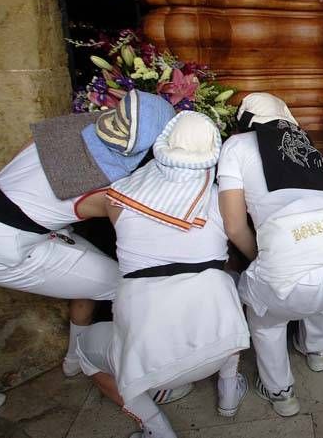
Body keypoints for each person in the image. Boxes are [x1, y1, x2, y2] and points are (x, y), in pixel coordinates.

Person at [75, 111, 251, 438]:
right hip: (224, 345)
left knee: (85, 349)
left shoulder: (119, 198)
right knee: (224, 282)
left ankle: (156, 428)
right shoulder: (217, 199)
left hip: (149, 366)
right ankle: (228, 389)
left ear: (163, 143)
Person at [0, 90, 174, 377]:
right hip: (5, 249)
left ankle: (74, 358)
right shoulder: (102, 185)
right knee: (125, 286)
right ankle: (122, 364)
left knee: (91, 277)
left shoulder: (66, 129)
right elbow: (139, 218)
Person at [218, 93, 323, 417]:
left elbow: (234, 226)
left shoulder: (236, 146)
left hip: (297, 274)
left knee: (266, 317)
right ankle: (318, 352)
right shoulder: (304, 142)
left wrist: (258, 258)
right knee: (317, 266)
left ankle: (281, 393)